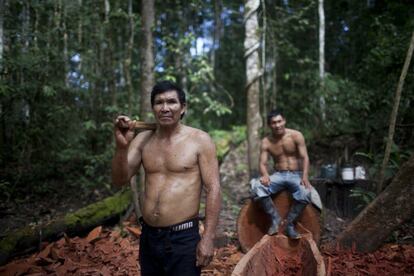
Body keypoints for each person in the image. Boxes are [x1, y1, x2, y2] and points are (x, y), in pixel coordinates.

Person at [112, 81, 221, 275]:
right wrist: (121, 147)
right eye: (159, 102)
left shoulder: (199, 140)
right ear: (153, 108)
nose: (165, 108)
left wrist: (208, 238)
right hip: (149, 237)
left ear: (183, 107)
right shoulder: (142, 139)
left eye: (171, 102)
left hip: (184, 238)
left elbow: (213, 188)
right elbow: (119, 180)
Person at [250, 109, 312, 239]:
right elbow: (262, 163)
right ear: (269, 125)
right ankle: (275, 219)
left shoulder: (296, 135)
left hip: (296, 174)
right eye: (274, 123)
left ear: (284, 120)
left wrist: (305, 176)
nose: (277, 125)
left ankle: (289, 223)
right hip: (279, 175)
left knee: (306, 193)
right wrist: (265, 175)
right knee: (257, 187)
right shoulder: (266, 141)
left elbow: (305, 157)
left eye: (279, 121)